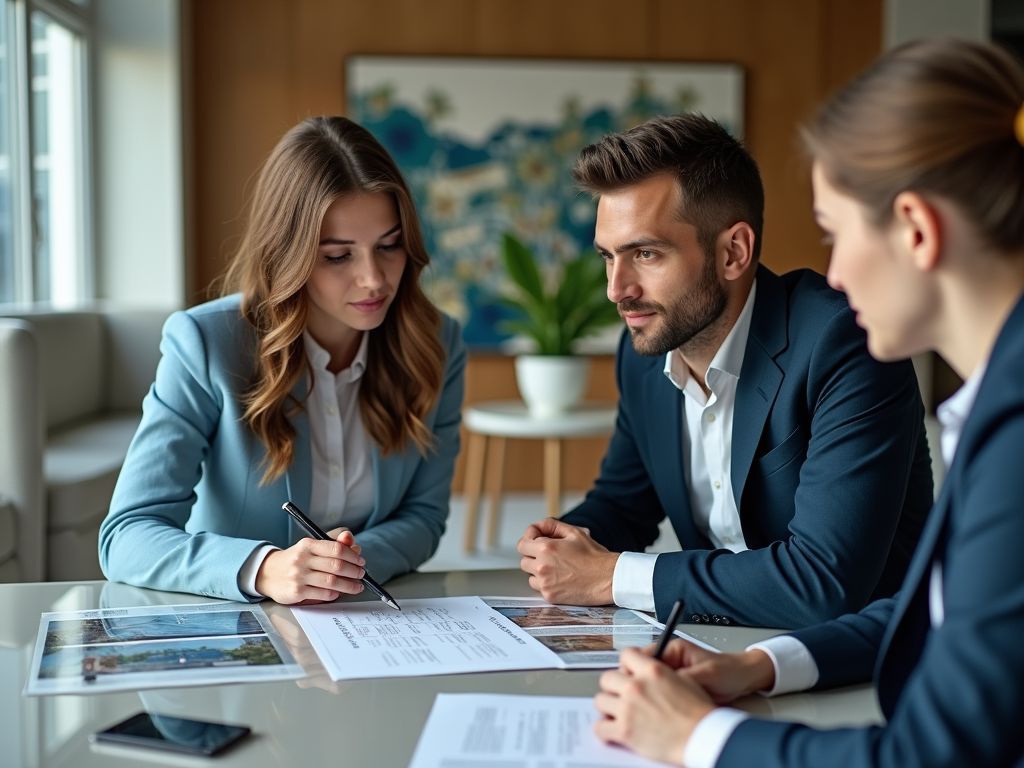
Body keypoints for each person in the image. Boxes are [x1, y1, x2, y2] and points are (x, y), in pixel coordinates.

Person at [592, 37, 1024, 768]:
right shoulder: (995, 402)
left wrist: (697, 738)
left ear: (916, 230)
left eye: (835, 234)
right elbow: (936, 609)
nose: (832, 272)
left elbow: (932, 756)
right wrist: (757, 667)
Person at [517, 113, 933, 629]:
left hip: (860, 663)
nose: (616, 289)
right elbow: (625, 504)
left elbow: (823, 581)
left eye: (645, 254)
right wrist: (563, 542)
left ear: (733, 251)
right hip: (711, 646)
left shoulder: (845, 343)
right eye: (608, 256)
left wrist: (611, 576)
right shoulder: (647, 352)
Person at [99, 116, 466, 604]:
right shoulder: (206, 342)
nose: (375, 279)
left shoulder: (437, 342)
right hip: (237, 627)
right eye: (339, 256)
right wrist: (264, 568)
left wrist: (346, 565)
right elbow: (126, 535)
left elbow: (423, 517)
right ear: (287, 253)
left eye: (389, 246)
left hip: (364, 621)